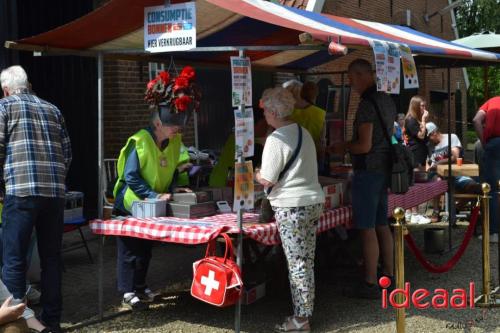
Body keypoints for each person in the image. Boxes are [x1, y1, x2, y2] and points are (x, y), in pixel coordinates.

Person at [0, 66, 72, 333]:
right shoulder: (53, 109)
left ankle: (17, 323)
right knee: (52, 258)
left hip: (20, 191)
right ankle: (52, 322)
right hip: (53, 194)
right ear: (28, 85)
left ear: (6, 89)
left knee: (14, 260)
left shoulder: (4, 106)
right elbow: (67, 154)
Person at [255, 87, 324, 332]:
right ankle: (304, 313)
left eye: (265, 111)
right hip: (312, 200)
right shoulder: (302, 132)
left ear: (273, 112)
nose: (264, 116)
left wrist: (255, 174)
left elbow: (268, 179)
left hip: (292, 206)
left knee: (297, 263)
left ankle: (301, 319)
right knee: (306, 260)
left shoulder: (276, 139)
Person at [113, 107, 191, 310]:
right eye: (173, 125)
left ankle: (140, 286)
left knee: (146, 248)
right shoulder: (139, 141)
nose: (178, 128)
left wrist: (176, 187)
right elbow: (131, 176)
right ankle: (127, 293)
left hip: (153, 203)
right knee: (130, 248)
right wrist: (154, 195)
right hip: (131, 202)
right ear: (158, 124)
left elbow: (172, 169)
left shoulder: (174, 141)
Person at [330, 59, 394, 299]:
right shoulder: (387, 99)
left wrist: (343, 146)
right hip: (384, 169)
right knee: (382, 224)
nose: (350, 83)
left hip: (368, 172)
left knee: (367, 229)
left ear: (361, 75)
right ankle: (390, 273)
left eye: (351, 77)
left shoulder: (367, 104)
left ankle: (369, 283)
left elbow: (364, 145)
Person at [426, 122, 481, 221]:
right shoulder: (429, 145)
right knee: (437, 181)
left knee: (474, 187)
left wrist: (439, 163)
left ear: (434, 133)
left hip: (456, 174)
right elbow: (427, 162)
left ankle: (457, 208)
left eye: (429, 136)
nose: (428, 139)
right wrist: (428, 168)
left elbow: (455, 157)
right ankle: (436, 211)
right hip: (438, 175)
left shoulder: (451, 138)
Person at [473, 96, 500, 243]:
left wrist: (483, 141)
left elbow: (476, 120)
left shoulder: (492, 102)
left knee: (492, 190)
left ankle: (493, 233)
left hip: (495, 144)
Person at [283, 80, 326, 149]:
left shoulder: (285, 113)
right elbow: (321, 142)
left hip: (290, 153)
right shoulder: (320, 113)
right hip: (311, 153)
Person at [405, 96, 430, 168]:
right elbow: (421, 136)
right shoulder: (410, 120)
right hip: (415, 155)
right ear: (415, 106)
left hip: (422, 155)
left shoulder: (416, 119)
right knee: (418, 177)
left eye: (425, 106)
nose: (424, 108)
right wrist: (423, 120)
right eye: (422, 106)